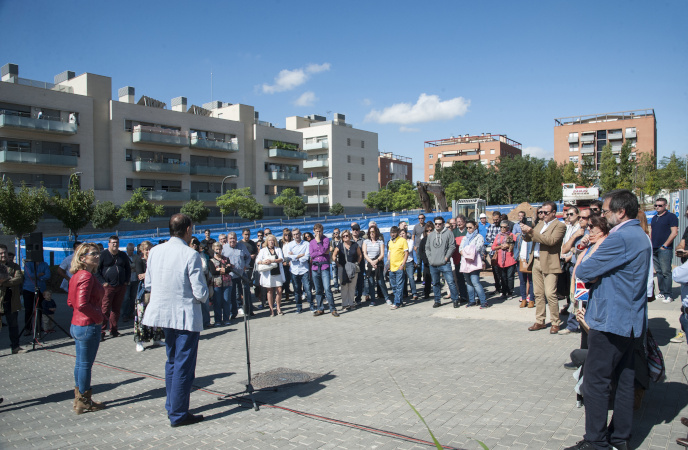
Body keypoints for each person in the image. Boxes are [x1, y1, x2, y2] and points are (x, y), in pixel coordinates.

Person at [565, 190, 651, 450]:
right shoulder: (640, 235)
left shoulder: (621, 238)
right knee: (624, 380)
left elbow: (584, 270)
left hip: (610, 320)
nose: (602, 215)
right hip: (630, 321)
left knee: (595, 382)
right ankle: (620, 437)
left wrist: (593, 267)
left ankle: (596, 441)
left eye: (605, 211)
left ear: (621, 212)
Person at [142, 214, 209, 428]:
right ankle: (178, 413)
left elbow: (149, 283)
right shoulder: (190, 254)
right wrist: (208, 294)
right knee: (183, 365)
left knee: (172, 361)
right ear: (188, 229)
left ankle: (172, 405)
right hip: (184, 316)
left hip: (163, 313)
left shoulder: (155, 251)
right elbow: (199, 291)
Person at [67, 243, 106, 414]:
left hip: (79, 324)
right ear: (83, 258)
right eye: (93, 254)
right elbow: (81, 303)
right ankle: (83, 400)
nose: (97, 256)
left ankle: (81, 398)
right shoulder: (86, 276)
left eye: (98, 253)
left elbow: (71, 302)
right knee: (84, 365)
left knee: (81, 364)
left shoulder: (78, 275)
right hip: (87, 325)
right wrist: (98, 317)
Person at [520, 201, 566, 334]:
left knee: (550, 293)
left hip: (550, 262)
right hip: (536, 261)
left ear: (553, 213)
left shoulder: (560, 226)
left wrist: (532, 231)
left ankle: (555, 322)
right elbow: (530, 239)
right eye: (541, 212)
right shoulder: (540, 224)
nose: (543, 215)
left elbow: (550, 241)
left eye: (546, 212)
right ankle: (540, 320)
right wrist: (526, 232)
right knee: (538, 293)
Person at [96, 236, 130, 341]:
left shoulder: (122, 255)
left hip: (120, 286)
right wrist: (103, 282)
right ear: (109, 244)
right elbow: (97, 271)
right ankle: (101, 331)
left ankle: (114, 329)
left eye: (117, 242)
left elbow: (127, 269)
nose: (115, 244)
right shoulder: (103, 255)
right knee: (105, 309)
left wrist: (126, 281)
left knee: (116, 309)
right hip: (108, 286)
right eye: (113, 242)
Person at [133, 241, 164, 352]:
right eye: (146, 249)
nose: (148, 251)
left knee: (157, 316)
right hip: (143, 292)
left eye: (150, 249)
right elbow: (140, 276)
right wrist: (151, 273)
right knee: (141, 316)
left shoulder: (155, 261)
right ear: (142, 250)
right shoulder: (139, 260)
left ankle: (157, 338)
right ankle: (139, 341)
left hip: (155, 291)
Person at [426, 216, 459, 308]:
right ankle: (437, 300)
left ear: (443, 224)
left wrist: (446, 257)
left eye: (439, 224)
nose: (437, 225)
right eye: (436, 224)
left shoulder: (448, 233)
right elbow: (427, 248)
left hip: (445, 263)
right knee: (436, 283)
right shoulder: (431, 235)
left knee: (451, 282)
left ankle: (455, 299)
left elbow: (452, 246)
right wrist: (430, 259)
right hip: (433, 263)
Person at [650, 197, 678, 303]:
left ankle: (668, 294)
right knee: (659, 272)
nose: (657, 207)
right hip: (654, 248)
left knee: (666, 272)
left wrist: (665, 245)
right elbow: (652, 231)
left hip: (665, 249)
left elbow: (674, 232)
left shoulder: (671, 217)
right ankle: (662, 292)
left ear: (665, 206)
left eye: (660, 205)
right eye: (656, 205)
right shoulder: (654, 218)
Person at [0, 244, 25, 354]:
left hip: (11, 301)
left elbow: (19, 279)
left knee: (13, 325)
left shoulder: (14, 266)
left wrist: (4, 281)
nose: (3, 255)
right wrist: (9, 279)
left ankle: (15, 347)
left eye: (4, 252)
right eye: (0, 253)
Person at [310, 223, 339, 317]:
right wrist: (322, 251)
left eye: (320, 231)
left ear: (322, 231)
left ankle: (332, 309)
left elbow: (324, 250)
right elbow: (312, 255)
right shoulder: (311, 242)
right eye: (317, 231)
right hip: (315, 267)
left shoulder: (326, 239)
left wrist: (319, 243)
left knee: (327, 288)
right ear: (314, 231)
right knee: (318, 290)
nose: (318, 233)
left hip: (324, 267)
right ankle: (320, 308)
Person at [222, 232, 251, 319]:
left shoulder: (241, 246)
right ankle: (233, 313)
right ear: (227, 239)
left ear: (236, 238)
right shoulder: (224, 248)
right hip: (230, 275)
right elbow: (221, 259)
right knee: (232, 295)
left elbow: (248, 257)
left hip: (241, 273)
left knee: (246, 292)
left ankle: (249, 311)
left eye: (234, 238)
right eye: (230, 238)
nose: (232, 240)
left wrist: (246, 264)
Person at [284, 228, 313, 313]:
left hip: (304, 270)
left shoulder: (306, 244)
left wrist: (295, 257)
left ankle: (311, 305)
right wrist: (300, 255)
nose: (296, 236)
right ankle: (299, 307)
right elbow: (288, 257)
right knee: (297, 290)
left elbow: (307, 256)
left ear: (300, 234)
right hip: (294, 270)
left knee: (308, 289)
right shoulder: (290, 245)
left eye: (297, 234)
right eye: (294, 235)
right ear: (292, 236)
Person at [332, 229, 362, 311]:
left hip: (353, 268)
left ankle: (351, 303)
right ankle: (345, 304)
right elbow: (334, 255)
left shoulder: (355, 245)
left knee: (352, 286)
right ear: (342, 237)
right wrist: (338, 264)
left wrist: (357, 263)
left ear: (350, 236)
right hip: (343, 268)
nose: (345, 237)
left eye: (347, 235)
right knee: (344, 286)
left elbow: (360, 255)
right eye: (344, 236)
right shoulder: (340, 245)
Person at [460, 221, 487, 308]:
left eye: (470, 227)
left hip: (474, 262)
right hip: (465, 262)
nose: (468, 229)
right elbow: (460, 249)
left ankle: (483, 301)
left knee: (475, 282)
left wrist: (466, 250)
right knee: (468, 282)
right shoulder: (465, 238)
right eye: (467, 228)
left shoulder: (479, 237)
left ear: (475, 227)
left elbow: (477, 248)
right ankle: (471, 300)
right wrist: (467, 251)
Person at [257, 235, 286, 316]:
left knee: (279, 290)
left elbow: (281, 259)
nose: (271, 242)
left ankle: (278, 307)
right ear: (267, 241)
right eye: (269, 240)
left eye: (273, 240)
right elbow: (258, 261)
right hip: (268, 273)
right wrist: (264, 262)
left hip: (277, 272)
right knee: (270, 291)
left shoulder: (278, 249)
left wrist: (273, 260)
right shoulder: (263, 250)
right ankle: (271, 309)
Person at [22, 256, 50, 335]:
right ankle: (28, 328)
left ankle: (38, 326)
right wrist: (40, 274)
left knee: (40, 308)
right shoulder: (28, 264)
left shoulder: (44, 264)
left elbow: (48, 275)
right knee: (28, 309)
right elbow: (29, 275)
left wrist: (38, 277)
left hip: (41, 289)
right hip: (28, 289)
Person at [362, 225, 389, 306]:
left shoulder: (380, 242)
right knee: (371, 283)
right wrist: (371, 262)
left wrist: (376, 261)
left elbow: (382, 254)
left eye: (373, 231)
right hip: (369, 265)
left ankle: (387, 298)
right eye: (370, 232)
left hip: (378, 265)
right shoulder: (366, 242)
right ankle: (373, 300)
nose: (371, 233)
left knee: (381, 282)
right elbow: (365, 254)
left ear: (376, 232)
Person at [190, 237, 212, 329]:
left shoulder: (201, 254)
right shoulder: (188, 254)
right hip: (191, 284)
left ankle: (206, 322)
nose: (194, 245)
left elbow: (205, 268)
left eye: (196, 243)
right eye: (192, 243)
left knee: (205, 304)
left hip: (202, 281)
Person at [491, 220, 517, 299]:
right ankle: (504, 291)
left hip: (510, 259)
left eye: (504, 227)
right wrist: (500, 246)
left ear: (508, 228)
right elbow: (493, 247)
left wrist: (508, 246)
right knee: (502, 277)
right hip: (500, 260)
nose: (502, 228)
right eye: (501, 227)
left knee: (510, 276)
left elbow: (515, 245)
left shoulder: (511, 235)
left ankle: (510, 292)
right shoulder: (498, 236)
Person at [209, 242, 232, 326]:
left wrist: (220, 269)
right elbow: (213, 271)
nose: (218, 251)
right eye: (217, 249)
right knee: (217, 302)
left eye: (220, 249)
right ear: (214, 250)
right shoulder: (211, 260)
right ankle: (217, 320)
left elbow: (229, 269)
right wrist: (223, 269)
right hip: (216, 283)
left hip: (227, 282)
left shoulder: (226, 259)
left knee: (226, 301)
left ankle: (226, 318)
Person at [387, 226, 409, 310]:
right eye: (391, 232)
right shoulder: (390, 242)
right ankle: (399, 301)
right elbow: (389, 254)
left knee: (399, 286)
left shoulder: (403, 241)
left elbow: (406, 253)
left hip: (399, 267)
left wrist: (402, 265)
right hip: (391, 267)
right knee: (393, 286)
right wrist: (388, 265)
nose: (392, 234)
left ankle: (396, 303)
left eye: (394, 232)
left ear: (398, 232)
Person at [515, 225, 535, 308]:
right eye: (521, 227)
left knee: (531, 281)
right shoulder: (519, 237)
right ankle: (523, 299)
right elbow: (516, 247)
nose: (522, 229)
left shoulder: (531, 237)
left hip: (529, 261)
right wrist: (516, 257)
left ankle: (531, 300)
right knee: (522, 281)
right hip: (521, 260)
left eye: (524, 227)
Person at [121, 243, 140, 323]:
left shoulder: (136, 257)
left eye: (132, 250)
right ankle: (124, 314)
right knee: (125, 298)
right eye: (130, 250)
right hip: (127, 281)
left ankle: (130, 313)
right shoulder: (124, 257)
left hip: (135, 280)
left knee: (133, 298)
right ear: (127, 249)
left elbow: (137, 267)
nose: (131, 252)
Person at [485, 211, 502, 294]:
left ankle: (504, 288)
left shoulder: (502, 227)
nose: (495, 221)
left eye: (497, 219)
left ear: (500, 218)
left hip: (502, 252)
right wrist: (496, 241)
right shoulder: (491, 226)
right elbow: (488, 238)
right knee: (495, 271)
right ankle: (498, 288)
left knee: (502, 271)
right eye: (494, 219)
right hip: (493, 252)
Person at [418, 222, 434, 299]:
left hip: (435, 261)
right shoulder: (424, 240)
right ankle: (426, 293)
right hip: (427, 262)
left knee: (435, 278)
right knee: (427, 278)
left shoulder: (436, 239)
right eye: (427, 231)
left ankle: (437, 294)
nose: (429, 232)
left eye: (431, 230)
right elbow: (420, 251)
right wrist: (425, 260)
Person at [350, 223, 366, 304]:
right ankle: (351, 298)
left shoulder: (363, 240)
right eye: (353, 229)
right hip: (350, 263)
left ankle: (358, 298)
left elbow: (364, 252)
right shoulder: (348, 240)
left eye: (357, 229)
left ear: (359, 231)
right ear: (351, 231)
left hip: (360, 262)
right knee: (351, 282)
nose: (355, 231)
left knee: (360, 281)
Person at [401, 229, 418, 300]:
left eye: (403, 233)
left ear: (406, 234)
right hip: (401, 262)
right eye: (400, 234)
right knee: (403, 278)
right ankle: (405, 293)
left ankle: (414, 293)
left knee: (411, 277)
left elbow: (409, 250)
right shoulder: (398, 242)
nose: (402, 235)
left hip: (409, 262)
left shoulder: (410, 241)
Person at [412, 214, 427, 282]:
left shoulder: (426, 226)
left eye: (422, 218)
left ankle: (425, 277)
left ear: (424, 218)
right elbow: (413, 236)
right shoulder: (416, 226)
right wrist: (413, 245)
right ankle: (418, 277)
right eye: (419, 218)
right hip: (418, 247)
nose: (421, 219)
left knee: (425, 262)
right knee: (419, 263)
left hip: (426, 246)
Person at [330, 228, 342, 294]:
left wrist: (333, 249)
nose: (335, 234)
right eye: (334, 233)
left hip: (341, 259)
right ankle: (336, 287)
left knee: (341, 274)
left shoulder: (341, 241)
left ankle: (342, 286)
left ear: (339, 232)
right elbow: (330, 249)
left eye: (336, 232)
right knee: (334, 275)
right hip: (334, 260)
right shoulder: (331, 242)